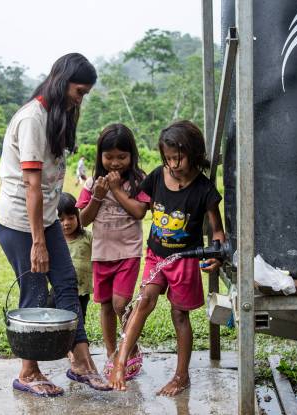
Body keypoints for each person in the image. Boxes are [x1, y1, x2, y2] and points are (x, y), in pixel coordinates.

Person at [0, 52, 110, 397]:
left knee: (66, 284)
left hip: (45, 221)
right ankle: (28, 373)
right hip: (19, 225)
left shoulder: (55, 116)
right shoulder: (32, 119)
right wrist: (38, 242)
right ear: (62, 84)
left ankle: (82, 364)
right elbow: (32, 186)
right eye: (79, 91)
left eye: (85, 93)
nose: (81, 99)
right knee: (33, 291)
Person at [108, 120, 225, 396]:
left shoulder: (204, 189)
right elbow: (139, 210)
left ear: (194, 152)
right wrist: (115, 191)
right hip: (156, 255)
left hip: (184, 258)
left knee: (179, 315)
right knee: (144, 300)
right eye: (168, 158)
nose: (173, 164)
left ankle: (181, 375)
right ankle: (119, 363)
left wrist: (217, 254)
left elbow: (217, 230)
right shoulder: (159, 176)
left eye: (178, 157)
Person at [76, 123, 147, 380]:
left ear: (132, 156)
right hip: (101, 253)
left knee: (120, 303)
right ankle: (111, 352)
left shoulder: (138, 180)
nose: (115, 162)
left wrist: (116, 190)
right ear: (100, 156)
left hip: (128, 251)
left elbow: (140, 211)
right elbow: (82, 220)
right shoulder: (94, 182)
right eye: (109, 157)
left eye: (122, 157)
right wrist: (98, 195)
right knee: (105, 306)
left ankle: (130, 346)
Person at [46, 192, 93, 324]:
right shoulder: (53, 241)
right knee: (53, 319)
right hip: (57, 290)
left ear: (78, 217)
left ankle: (76, 343)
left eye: (71, 218)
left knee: (78, 321)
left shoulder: (87, 237)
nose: (66, 223)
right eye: (60, 220)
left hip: (82, 291)